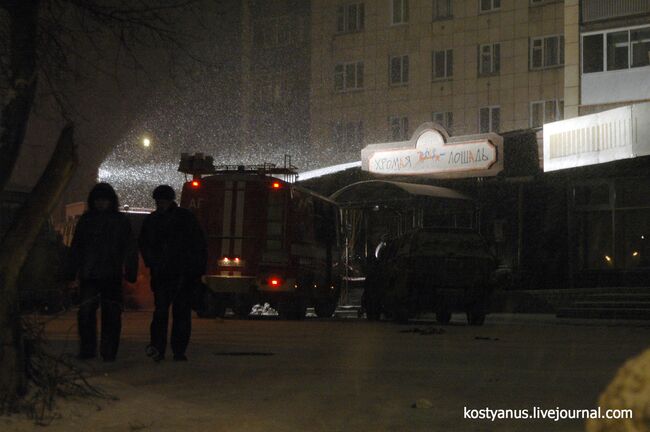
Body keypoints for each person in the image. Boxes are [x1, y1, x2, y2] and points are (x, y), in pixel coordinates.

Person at [66, 183, 138, 362]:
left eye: (103, 201)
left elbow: (129, 248)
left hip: (104, 274)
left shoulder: (104, 221)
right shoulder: (95, 221)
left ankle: (102, 350)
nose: (101, 204)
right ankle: (97, 350)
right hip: (96, 274)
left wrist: (130, 270)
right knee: (92, 313)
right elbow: (77, 248)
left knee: (104, 313)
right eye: (99, 201)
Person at [139, 185, 207, 362]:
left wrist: (152, 262)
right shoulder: (184, 218)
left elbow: (145, 244)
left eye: (162, 200)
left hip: (172, 273)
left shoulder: (155, 220)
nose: (160, 203)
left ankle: (162, 349)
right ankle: (173, 350)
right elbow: (198, 244)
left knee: (167, 313)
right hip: (175, 273)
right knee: (176, 314)